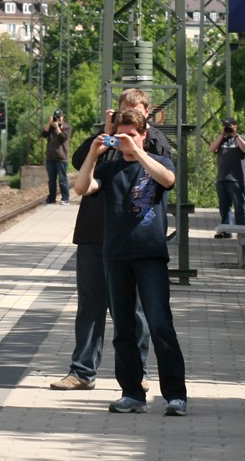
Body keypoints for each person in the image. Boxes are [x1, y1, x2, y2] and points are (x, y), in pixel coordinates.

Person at [51, 88, 171, 392]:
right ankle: (82, 370)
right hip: (95, 235)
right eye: (123, 111)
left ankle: (138, 372)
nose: (128, 120)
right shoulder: (106, 141)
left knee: (134, 312)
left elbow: (164, 172)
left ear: (147, 113)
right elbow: (80, 167)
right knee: (90, 305)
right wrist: (104, 137)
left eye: (136, 111)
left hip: (134, 240)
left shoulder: (154, 141)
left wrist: (136, 140)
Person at [74, 108, 188, 416]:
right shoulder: (110, 170)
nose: (126, 141)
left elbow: (168, 179)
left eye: (132, 135)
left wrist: (138, 152)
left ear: (143, 135)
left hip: (149, 256)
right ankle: (132, 393)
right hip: (116, 256)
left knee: (160, 324)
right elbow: (81, 188)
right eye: (121, 135)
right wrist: (94, 154)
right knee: (123, 329)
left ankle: (175, 395)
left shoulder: (158, 161)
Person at [209, 117, 245, 238]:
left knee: (239, 206)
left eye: (230, 125)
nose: (228, 128)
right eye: (225, 125)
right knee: (224, 206)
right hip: (222, 178)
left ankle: (243, 231)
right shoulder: (222, 140)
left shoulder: (242, 138)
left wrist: (235, 135)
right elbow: (212, 149)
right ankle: (226, 231)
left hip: (236, 179)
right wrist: (222, 135)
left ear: (236, 126)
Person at [42, 108, 71, 205]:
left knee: (62, 179)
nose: (57, 119)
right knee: (51, 180)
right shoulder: (51, 127)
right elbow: (44, 134)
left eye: (59, 117)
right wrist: (49, 124)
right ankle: (51, 198)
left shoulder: (67, 127)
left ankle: (65, 198)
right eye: (56, 117)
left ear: (63, 117)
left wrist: (57, 127)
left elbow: (63, 138)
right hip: (50, 157)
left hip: (61, 157)